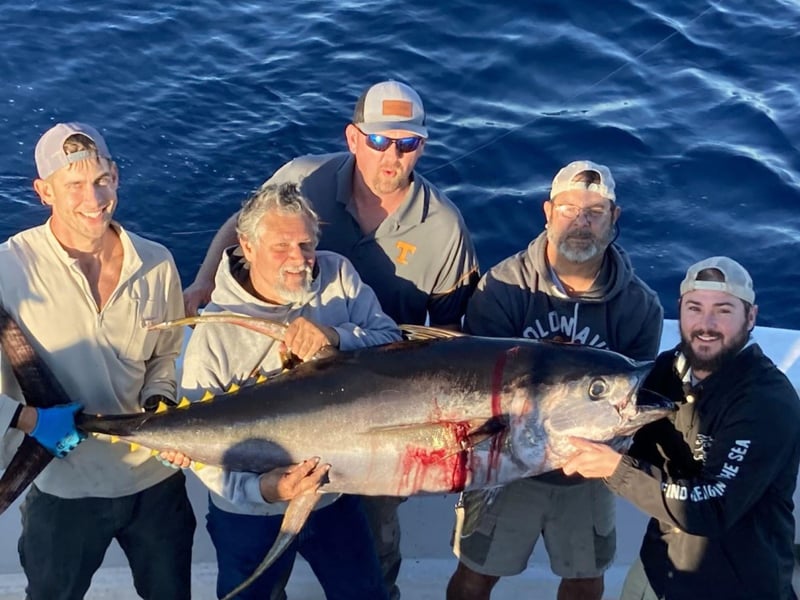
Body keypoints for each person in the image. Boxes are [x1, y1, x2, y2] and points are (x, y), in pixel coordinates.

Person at [183, 80, 480, 598]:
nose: (392, 155)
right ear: (353, 137)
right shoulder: (304, 179)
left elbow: (451, 337)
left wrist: (337, 338)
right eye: (380, 140)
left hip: (382, 423)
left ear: (422, 146)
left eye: (407, 143)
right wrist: (206, 281)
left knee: (370, 568)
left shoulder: (428, 235)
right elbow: (247, 220)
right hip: (263, 488)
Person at [447, 160, 664, 600]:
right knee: (475, 575)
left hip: (589, 473)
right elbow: (473, 393)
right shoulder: (503, 288)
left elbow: (631, 403)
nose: (581, 222)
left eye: (595, 212)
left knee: (586, 580)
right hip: (504, 464)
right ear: (547, 212)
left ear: (614, 218)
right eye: (568, 209)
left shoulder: (640, 307)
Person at [175, 181, 401, 599]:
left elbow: (390, 341)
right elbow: (200, 443)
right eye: (281, 246)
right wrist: (266, 490)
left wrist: (335, 336)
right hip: (249, 508)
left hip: (334, 491)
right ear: (246, 246)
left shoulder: (337, 275)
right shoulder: (215, 331)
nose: (299, 259)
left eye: (306, 244)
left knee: (364, 593)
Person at [0, 122, 194, 599]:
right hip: (62, 486)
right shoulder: (7, 269)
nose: (94, 198)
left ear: (116, 177)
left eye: (102, 180)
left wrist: (161, 401)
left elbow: (166, 354)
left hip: (155, 482)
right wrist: (30, 420)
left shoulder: (156, 262)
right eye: (74, 185)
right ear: (44, 191)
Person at [563, 256, 800, 600]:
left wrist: (615, 468)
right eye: (694, 308)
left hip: (736, 586)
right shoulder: (668, 370)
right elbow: (637, 440)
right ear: (679, 310)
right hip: (658, 567)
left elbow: (712, 507)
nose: (706, 324)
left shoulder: (766, 403)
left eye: (723, 310)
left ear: (751, 317)